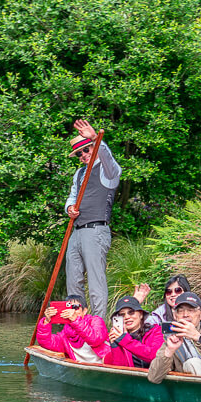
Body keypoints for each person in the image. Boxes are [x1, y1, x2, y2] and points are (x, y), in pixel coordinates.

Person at [64, 119, 122, 317]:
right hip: (77, 231)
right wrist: (70, 208)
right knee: (72, 279)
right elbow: (72, 197)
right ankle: (76, 324)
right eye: (79, 154)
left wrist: (96, 138)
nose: (83, 156)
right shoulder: (79, 173)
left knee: (96, 281)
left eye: (86, 150)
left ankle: (98, 328)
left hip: (96, 231)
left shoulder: (108, 172)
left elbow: (108, 159)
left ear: (94, 148)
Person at [146, 292, 201, 382]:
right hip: (195, 391)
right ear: (175, 315)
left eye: (191, 310)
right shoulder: (171, 338)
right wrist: (169, 351)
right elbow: (154, 377)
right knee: (192, 363)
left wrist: (197, 337)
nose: (185, 314)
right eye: (181, 311)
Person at [36, 294, 111, 363]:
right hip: (82, 370)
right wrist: (46, 321)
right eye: (68, 308)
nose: (72, 311)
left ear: (84, 311)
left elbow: (95, 339)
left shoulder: (96, 321)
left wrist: (76, 320)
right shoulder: (65, 334)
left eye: (75, 307)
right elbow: (46, 342)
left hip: (105, 362)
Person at [103, 295, 164, 368]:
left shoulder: (155, 331)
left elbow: (155, 356)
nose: (127, 317)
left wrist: (125, 340)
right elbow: (120, 370)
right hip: (130, 378)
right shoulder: (117, 336)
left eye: (131, 312)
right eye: (122, 314)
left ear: (141, 314)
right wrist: (115, 346)